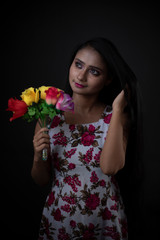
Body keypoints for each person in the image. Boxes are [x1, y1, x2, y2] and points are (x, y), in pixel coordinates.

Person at [32, 37, 143, 239]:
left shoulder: (116, 118)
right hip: (60, 219)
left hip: (104, 220)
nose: (81, 76)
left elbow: (110, 168)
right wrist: (39, 156)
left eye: (94, 71)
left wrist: (118, 109)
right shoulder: (48, 116)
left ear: (108, 79)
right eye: (78, 65)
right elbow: (41, 179)